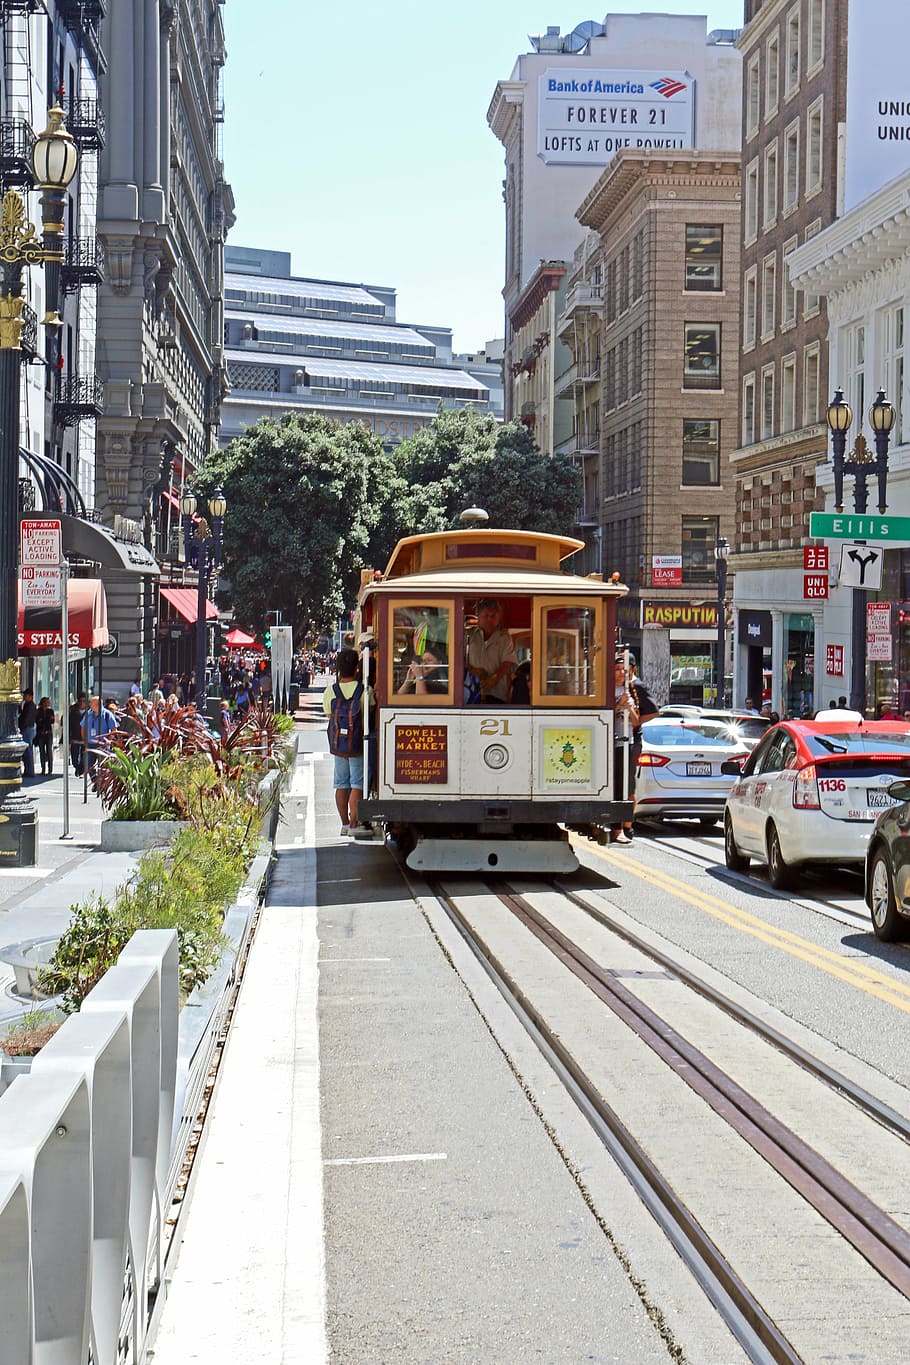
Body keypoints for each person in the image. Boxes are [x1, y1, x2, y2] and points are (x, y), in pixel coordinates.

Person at [322, 646, 372, 834]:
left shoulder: (331, 691)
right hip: (358, 744)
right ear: (357, 668)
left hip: (338, 745)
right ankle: (354, 823)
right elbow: (370, 713)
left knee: (341, 784)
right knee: (357, 783)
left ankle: (344, 823)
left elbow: (329, 716)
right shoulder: (364, 691)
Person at [612, 649, 659, 844]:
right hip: (609, 741)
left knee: (627, 783)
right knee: (614, 784)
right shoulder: (606, 690)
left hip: (628, 741)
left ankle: (626, 826)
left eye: (623, 669)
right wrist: (616, 706)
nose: (621, 673)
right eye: (616, 669)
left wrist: (629, 707)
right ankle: (614, 825)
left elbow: (639, 719)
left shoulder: (634, 689)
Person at [466, 598, 517, 703]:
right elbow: (459, 659)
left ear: (498, 618)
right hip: (471, 692)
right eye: (486, 616)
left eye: (493, 616)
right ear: (479, 618)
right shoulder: (468, 635)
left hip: (497, 694)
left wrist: (493, 678)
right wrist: (472, 670)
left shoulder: (505, 638)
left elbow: (507, 663)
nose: (489, 619)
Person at [81, 695, 117, 783]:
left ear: (97, 704)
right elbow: (82, 727)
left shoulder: (107, 715)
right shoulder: (88, 714)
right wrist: (84, 740)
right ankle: (95, 781)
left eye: (91, 703)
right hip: (90, 744)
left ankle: (102, 783)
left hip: (103, 745)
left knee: (103, 766)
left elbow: (114, 730)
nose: (89, 704)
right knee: (89, 765)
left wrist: (108, 740)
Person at [18, 688, 37, 779]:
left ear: (30, 696)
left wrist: (21, 727)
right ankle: (28, 770)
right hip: (27, 728)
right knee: (27, 750)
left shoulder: (30, 706)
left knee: (28, 750)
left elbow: (26, 719)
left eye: (25, 695)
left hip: (28, 729)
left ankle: (30, 770)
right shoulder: (27, 705)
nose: (24, 697)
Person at [34, 697, 55, 776]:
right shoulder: (38, 711)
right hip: (41, 734)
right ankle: (43, 768)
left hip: (48, 733)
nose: (47, 703)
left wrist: (43, 720)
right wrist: (45, 720)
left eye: (48, 702)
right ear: (42, 703)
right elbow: (37, 721)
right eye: (45, 702)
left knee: (49, 751)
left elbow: (52, 721)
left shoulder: (50, 711)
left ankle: (50, 769)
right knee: (42, 751)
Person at [69, 692, 87, 775]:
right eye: (80, 701)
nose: (82, 703)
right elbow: (68, 723)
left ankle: (81, 770)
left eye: (84, 701)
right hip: (75, 737)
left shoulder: (89, 711)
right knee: (74, 756)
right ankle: (76, 766)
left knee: (84, 757)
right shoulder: (72, 710)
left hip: (85, 738)